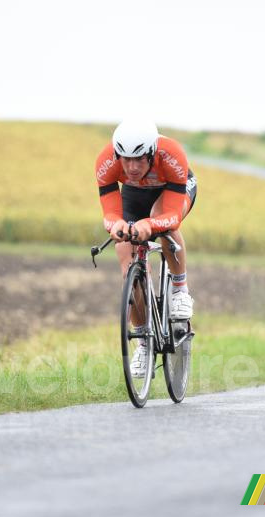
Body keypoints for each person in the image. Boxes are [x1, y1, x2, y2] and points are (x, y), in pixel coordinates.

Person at [95, 119, 197, 378]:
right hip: (134, 195)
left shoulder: (171, 153)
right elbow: (110, 212)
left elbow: (172, 216)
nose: (131, 167)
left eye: (139, 159)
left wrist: (150, 225)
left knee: (164, 226)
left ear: (151, 152)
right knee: (125, 252)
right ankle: (143, 343)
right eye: (125, 159)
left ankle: (179, 290)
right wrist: (116, 225)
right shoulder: (106, 162)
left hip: (173, 190)